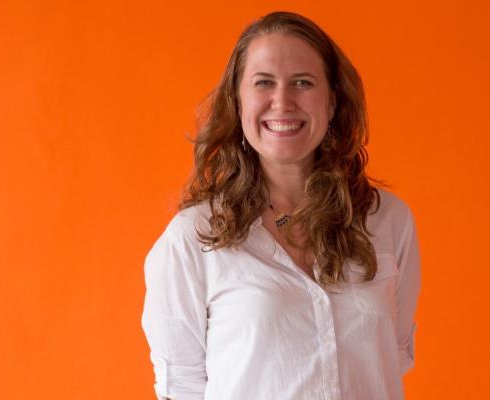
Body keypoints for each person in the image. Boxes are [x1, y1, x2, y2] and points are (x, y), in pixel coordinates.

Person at [141, 11, 421, 400]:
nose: (282, 101)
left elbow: (391, 358)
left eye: (303, 83)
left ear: (333, 101)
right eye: (263, 83)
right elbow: (180, 389)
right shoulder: (192, 240)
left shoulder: (388, 221)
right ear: (238, 103)